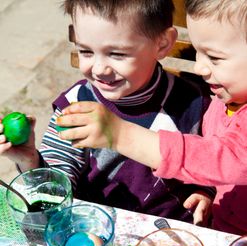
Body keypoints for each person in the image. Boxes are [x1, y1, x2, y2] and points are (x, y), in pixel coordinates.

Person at [0, 0, 215, 224]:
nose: (99, 68)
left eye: (117, 54)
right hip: (95, 229)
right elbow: (56, 193)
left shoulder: (194, 103)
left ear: (161, 44)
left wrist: (206, 191)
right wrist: (30, 162)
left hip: (170, 232)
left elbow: (213, 161)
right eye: (85, 51)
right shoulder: (76, 107)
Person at [65, 0, 247, 234]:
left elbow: (228, 157)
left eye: (215, 58)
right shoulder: (225, 99)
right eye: (197, 52)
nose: (200, 68)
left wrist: (121, 135)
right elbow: (211, 157)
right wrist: (208, 189)